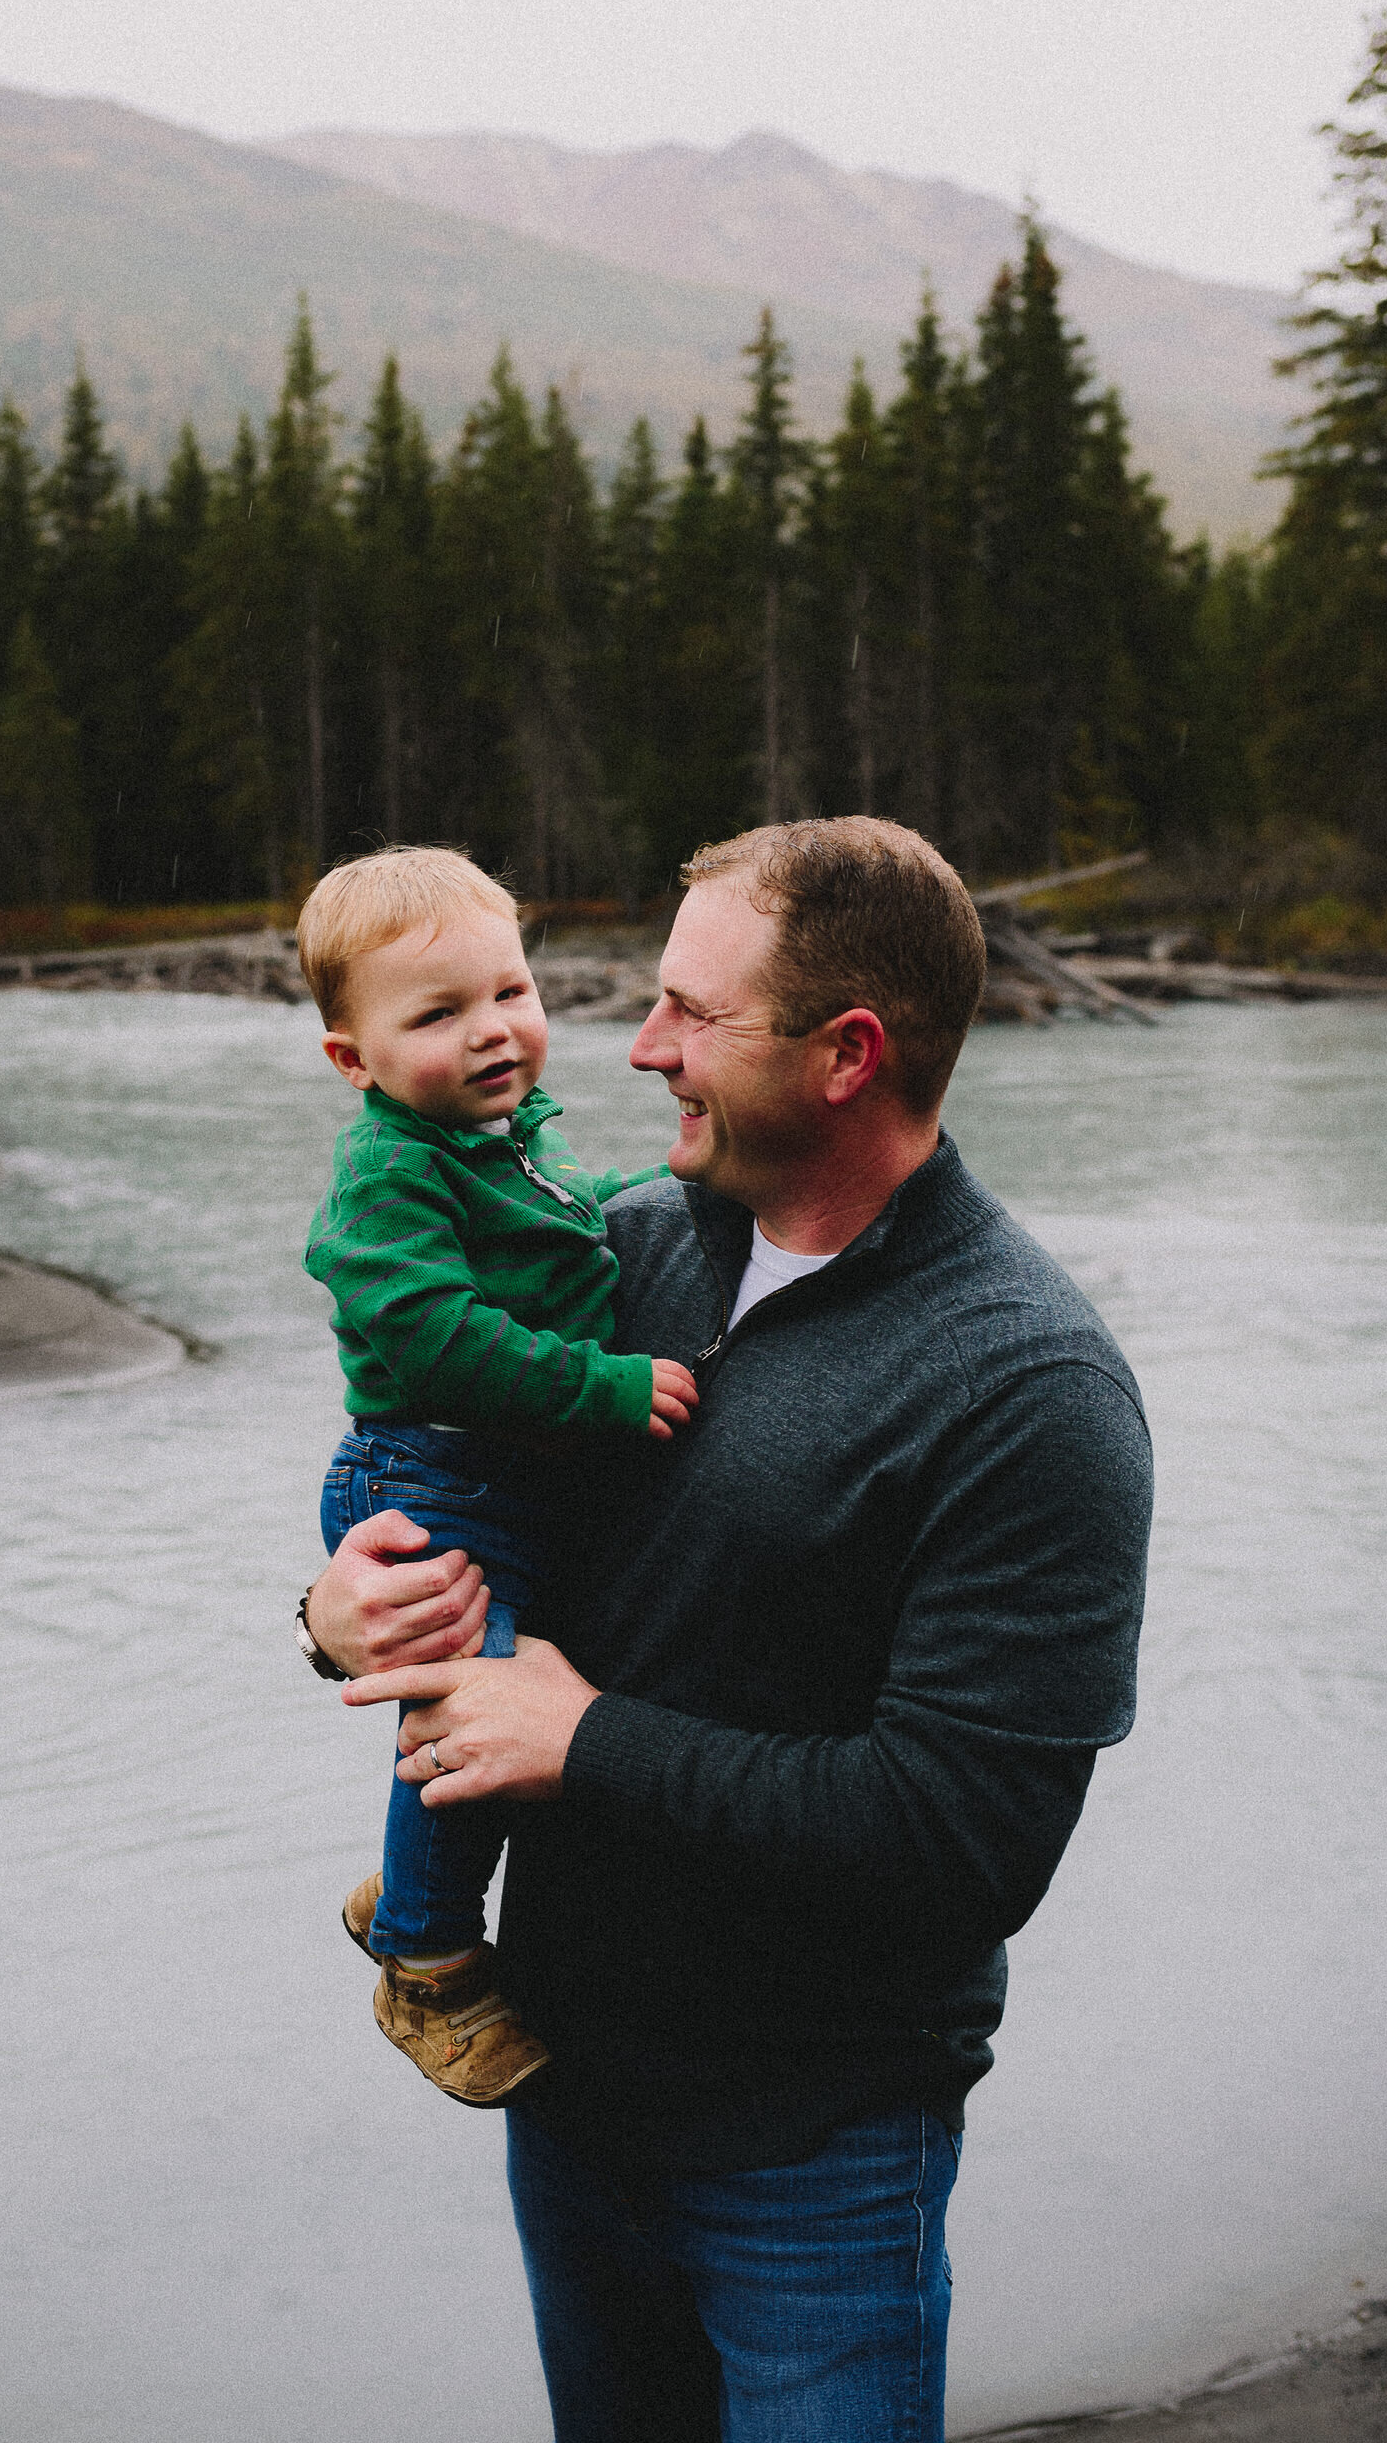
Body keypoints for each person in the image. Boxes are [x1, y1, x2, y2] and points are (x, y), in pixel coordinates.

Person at [301, 817, 1153, 2443]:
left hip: (815, 2155)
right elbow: (445, 1513)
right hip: (563, 2098)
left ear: (848, 1054)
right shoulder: (616, 1252)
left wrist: (586, 1742)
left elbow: (969, 1838)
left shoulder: (1027, 1389)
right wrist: (334, 1619)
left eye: (693, 1011)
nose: (637, 1046)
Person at [296, 844, 699, 2104]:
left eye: (508, 994)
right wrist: (606, 1390)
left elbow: (578, 1210)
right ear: (352, 1060)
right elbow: (439, 1341)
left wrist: (676, 1188)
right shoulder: (389, 1174)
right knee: (470, 1716)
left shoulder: (504, 1139)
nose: (491, 1034)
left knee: (488, 1706)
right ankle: (426, 1960)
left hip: (486, 1480)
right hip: (429, 1479)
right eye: (437, 1015)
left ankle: (407, 1888)